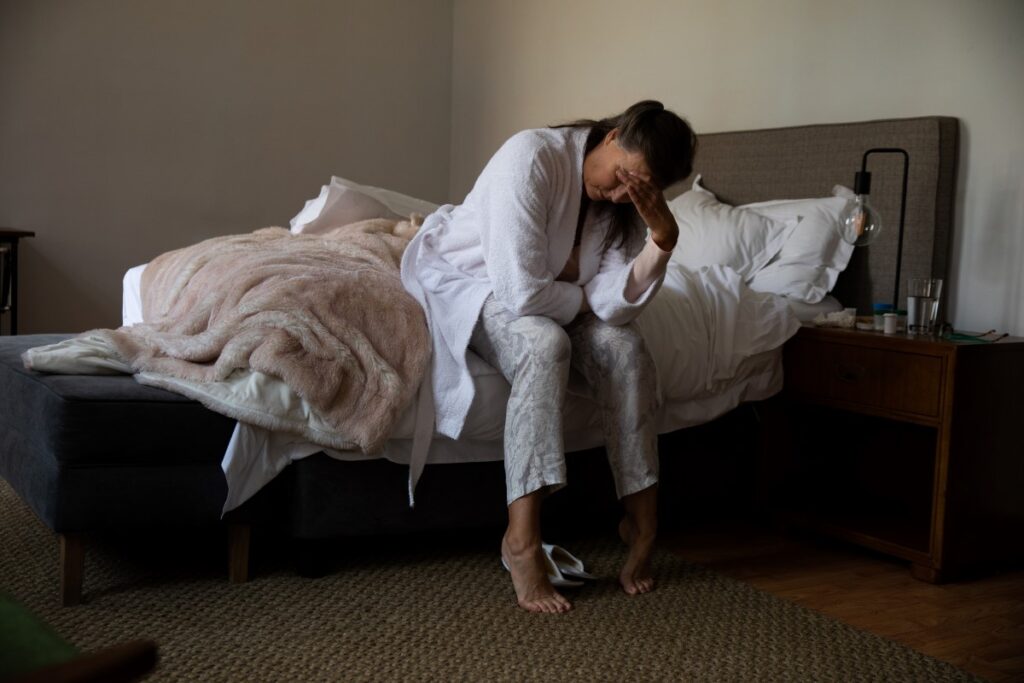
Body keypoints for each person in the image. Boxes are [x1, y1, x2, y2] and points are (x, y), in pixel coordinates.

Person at [400, 100, 697, 613]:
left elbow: (614, 309)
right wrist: (583, 298)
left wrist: (662, 241)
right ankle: (520, 539)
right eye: (626, 177)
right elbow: (520, 292)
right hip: (471, 281)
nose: (625, 195)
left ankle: (642, 524)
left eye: (641, 191)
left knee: (625, 349)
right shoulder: (531, 157)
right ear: (611, 136)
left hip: (554, 295)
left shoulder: (623, 207)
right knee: (544, 342)